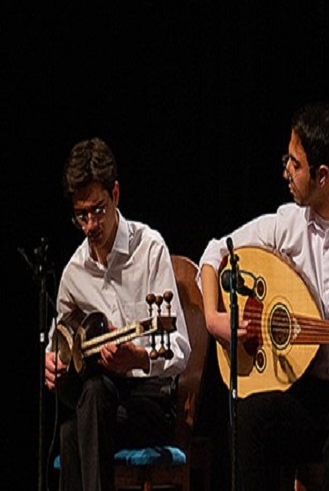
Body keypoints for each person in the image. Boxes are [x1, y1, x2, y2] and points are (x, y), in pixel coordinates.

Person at [198, 101, 329, 490]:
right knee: (251, 418)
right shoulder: (290, 223)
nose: (286, 172)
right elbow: (215, 252)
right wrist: (214, 320)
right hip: (312, 392)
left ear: (322, 175)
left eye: (295, 164)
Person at [44, 137, 190, 491]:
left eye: (98, 210)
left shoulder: (149, 249)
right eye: (81, 215)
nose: (90, 225)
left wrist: (139, 357)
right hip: (99, 402)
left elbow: (180, 347)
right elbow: (57, 338)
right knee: (85, 405)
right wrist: (51, 361)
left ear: (116, 195)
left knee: (78, 422)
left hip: (150, 401)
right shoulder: (74, 273)